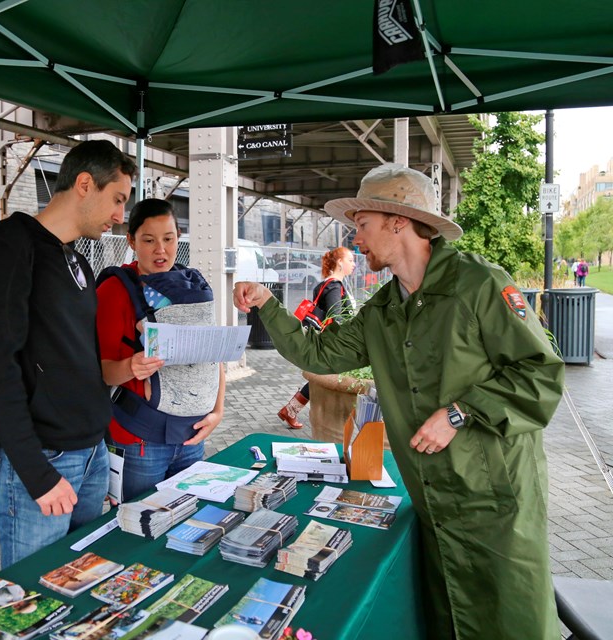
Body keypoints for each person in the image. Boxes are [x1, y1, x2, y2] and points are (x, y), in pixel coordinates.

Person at [233, 164, 565, 640]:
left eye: (361, 225)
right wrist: (267, 302)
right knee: (450, 617)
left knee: (513, 620)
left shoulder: (480, 284)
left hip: (495, 500)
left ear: (397, 221)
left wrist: (457, 412)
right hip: (432, 498)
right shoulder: (386, 308)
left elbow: (542, 373)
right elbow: (319, 353)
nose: (356, 240)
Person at [0, 140, 136, 568]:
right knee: (31, 599)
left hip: (90, 458)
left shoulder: (77, 261)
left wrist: (100, 446)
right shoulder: (9, 243)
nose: (121, 216)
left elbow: (77, 355)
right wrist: (37, 474)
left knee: (79, 586)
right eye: (117, 199)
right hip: (42, 462)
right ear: (85, 184)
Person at [96, 198, 225, 502]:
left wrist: (217, 412)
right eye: (149, 240)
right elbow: (103, 371)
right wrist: (131, 366)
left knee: (186, 523)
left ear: (178, 238)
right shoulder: (114, 291)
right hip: (140, 440)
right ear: (131, 240)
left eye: (168, 239)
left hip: (192, 434)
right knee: (135, 527)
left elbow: (213, 355)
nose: (160, 250)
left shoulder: (191, 285)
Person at [278, 247, 356, 428]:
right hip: (334, 343)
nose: (354, 264)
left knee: (322, 376)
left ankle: (290, 410)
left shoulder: (323, 284)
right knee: (327, 377)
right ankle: (298, 412)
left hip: (325, 340)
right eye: (350, 260)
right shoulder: (334, 286)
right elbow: (336, 317)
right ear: (339, 263)